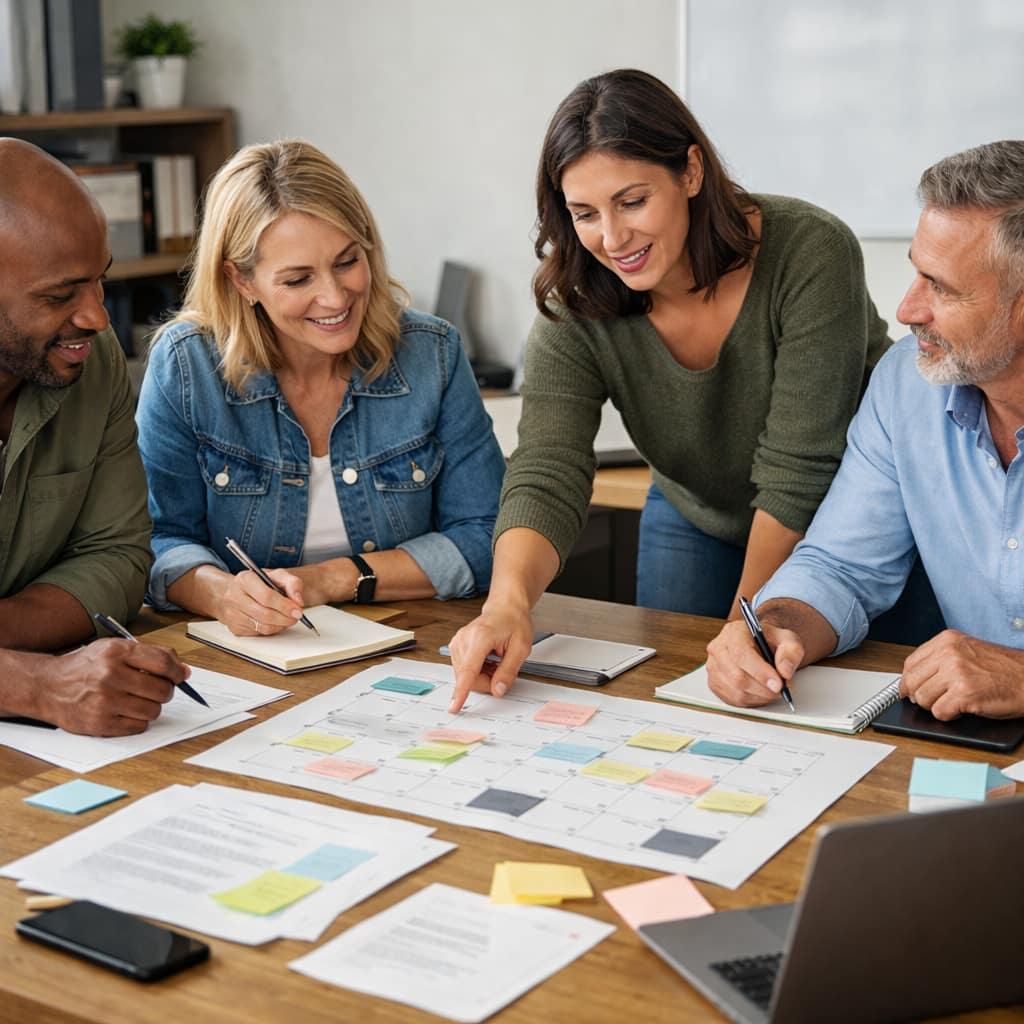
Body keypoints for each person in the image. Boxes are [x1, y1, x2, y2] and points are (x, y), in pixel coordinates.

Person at [448, 68, 891, 712]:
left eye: (631, 201)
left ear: (690, 172)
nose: (611, 238)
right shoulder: (575, 303)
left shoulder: (809, 251)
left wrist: (746, 626)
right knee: (673, 700)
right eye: (584, 214)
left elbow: (801, 471)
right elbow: (547, 468)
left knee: (782, 693)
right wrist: (507, 604)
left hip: (835, 528)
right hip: (694, 509)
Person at [705, 140, 1024, 722]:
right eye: (915, 273)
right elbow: (841, 566)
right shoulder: (907, 382)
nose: (906, 310)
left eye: (942, 288)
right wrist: (777, 626)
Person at [136, 140, 504, 635]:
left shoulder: (432, 353)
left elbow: (487, 536)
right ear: (242, 282)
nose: (334, 296)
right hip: (250, 652)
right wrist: (222, 593)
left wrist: (332, 579)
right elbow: (155, 541)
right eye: (297, 279)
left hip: (412, 643)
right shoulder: (186, 367)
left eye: (348, 261)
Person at [0, 139, 188, 736]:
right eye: (60, 296)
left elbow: (119, 558)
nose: (98, 319)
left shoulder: (92, 360)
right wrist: (34, 685)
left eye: (99, 281)